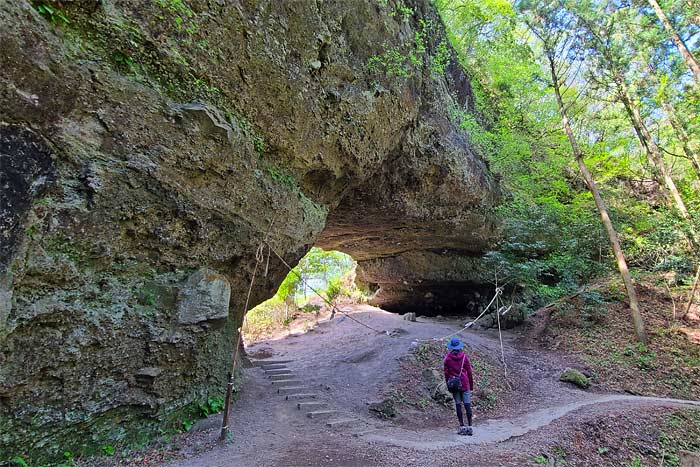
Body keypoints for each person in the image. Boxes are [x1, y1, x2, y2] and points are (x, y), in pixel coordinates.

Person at [443, 337, 474, 436]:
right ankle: (470, 427)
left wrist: (449, 384)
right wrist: (471, 385)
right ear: (459, 346)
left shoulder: (447, 358)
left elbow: (446, 373)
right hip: (465, 383)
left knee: (458, 405)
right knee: (467, 404)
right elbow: (469, 372)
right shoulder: (465, 357)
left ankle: (462, 426)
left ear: (451, 347)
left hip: (454, 385)